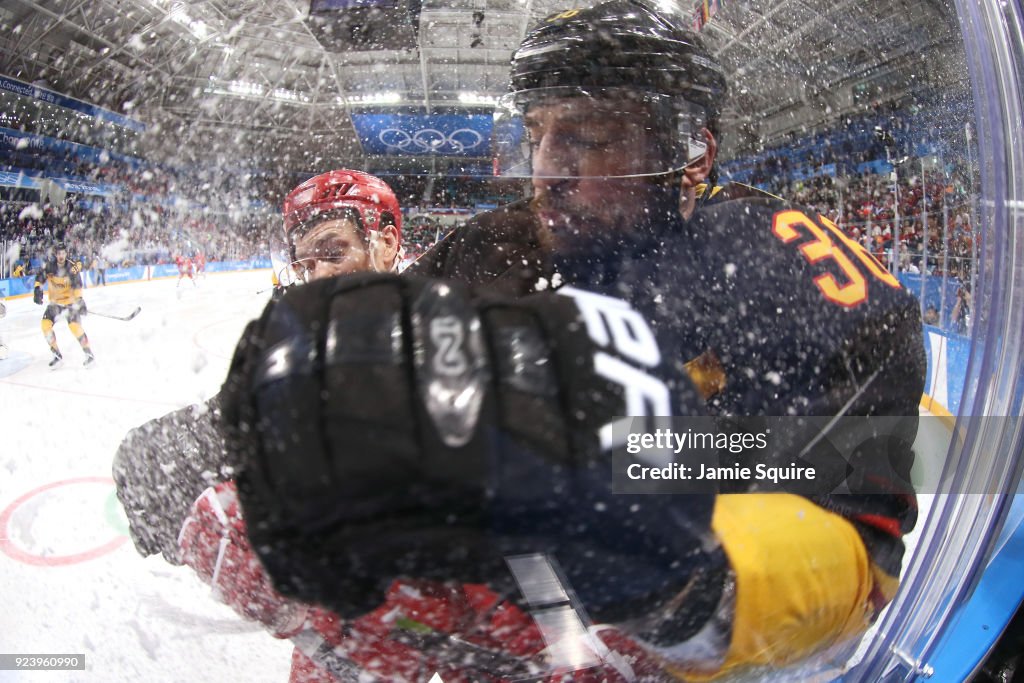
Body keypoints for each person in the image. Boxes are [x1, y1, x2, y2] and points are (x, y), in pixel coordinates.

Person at [222, 1, 926, 680]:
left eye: (588, 138)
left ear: (690, 153)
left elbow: (859, 546)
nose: (548, 169)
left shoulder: (784, 276)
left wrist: (677, 583)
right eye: (538, 135)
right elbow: (368, 367)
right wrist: (228, 440)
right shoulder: (495, 249)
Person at [113, 169, 405, 682]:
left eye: (333, 251)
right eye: (305, 262)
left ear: (386, 242)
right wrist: (158, 472)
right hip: (354, 627)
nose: (315, 277)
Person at [33, 242, 94, 368]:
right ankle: (56, 355)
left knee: (74, 327)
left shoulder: (72, 268)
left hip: (69, 304)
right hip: (54, 304)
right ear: (55, 254)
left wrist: (80, 300)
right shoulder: (50, 266)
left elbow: (77, 285)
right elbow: (40, 277)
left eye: (63, 253)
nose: (61, 256)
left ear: (66, 254)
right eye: (59, 253)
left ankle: (89, 354)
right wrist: (37, 288)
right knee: (45, 325)